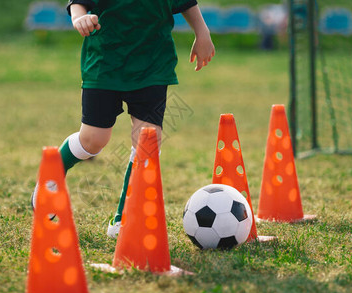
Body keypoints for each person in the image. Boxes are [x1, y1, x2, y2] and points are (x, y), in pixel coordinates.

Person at [33, 0, 215, 238]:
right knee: (93, 141)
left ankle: (124, 218)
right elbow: (78, 3)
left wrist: (202, 33)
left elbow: (186, 2)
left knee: (147, 143)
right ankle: (54, 171)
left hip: (153, 66)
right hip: (105, 63)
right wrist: (79, 18)